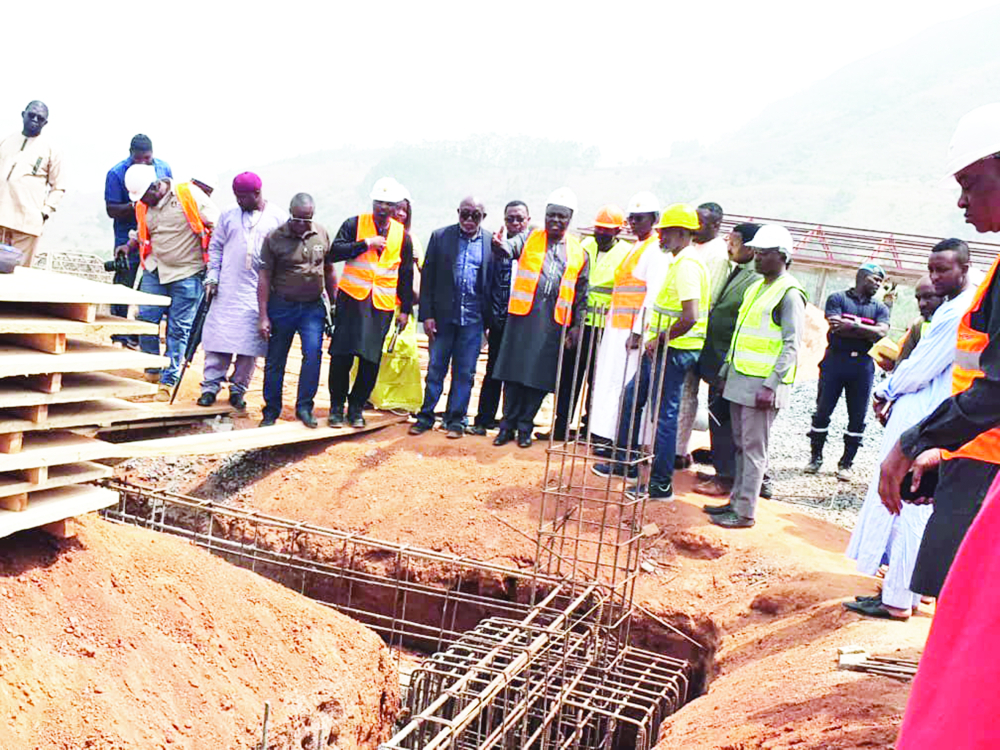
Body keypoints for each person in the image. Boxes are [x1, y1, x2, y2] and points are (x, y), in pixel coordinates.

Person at [879, 103, 1000, 750]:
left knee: (975, 623)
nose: (961, 201)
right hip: (973, 451)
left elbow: (997, 389)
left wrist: (914, 441)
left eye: (971, 183)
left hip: (984, 455)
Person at [844, 244, 972, 620]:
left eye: (942, 271)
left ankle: (897, 600)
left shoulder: (956, 314)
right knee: (911, 509)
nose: (935, 278)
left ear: (964, 268)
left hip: (925, 418)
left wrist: (886, 390)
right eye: (931, 270)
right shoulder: (950, 310)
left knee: (910, 508)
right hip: (927, 415)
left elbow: (919, 369)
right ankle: (904, 595)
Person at [593, 203, 708, 500]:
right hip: (660, 347)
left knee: (664, 416)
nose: (661, 237)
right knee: (631, 398)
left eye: (666, 232)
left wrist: (660, 340)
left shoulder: (687, 266)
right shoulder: (677, 261)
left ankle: (660, 484)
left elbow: (690, 315)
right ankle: (625, 463)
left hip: (674, 350)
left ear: (682, 233)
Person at [705, 224, 806, 528]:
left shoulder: (789, 294)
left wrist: (771, 385)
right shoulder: (756, 288)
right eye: (757, 252)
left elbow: (792, 344)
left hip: (761, 386)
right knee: (739, 445)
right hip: (740, 380)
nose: (758, 258)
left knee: (753, 450)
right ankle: (735, 502)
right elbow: (740, 335)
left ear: (782, 256)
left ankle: (746, 512)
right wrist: (725, 371)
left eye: (764, 253)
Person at [491, 188, 590, 449]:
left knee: (538, 380)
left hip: (553, 325)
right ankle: (507, 426)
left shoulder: (579, 252)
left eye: (561, 217)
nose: (555, 221)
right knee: (512, 375)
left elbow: (582, 294)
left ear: (569, 219)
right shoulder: (529, 237)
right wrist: (500, 246)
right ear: (544, 216)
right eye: (551, 216)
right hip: (522, 321)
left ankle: (525, 427)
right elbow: (509, 248)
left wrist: (578, 326)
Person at [124, 164, 219, 401]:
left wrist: (214, 266)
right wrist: (128, 246)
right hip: (155, 269)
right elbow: (143, 231)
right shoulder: (143, 204)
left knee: (178, 329)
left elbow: (217, 227)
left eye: (147, 195)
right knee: (145, 320)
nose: (144, 201)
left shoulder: (188, 195)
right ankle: (152, 370)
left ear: (157, 186)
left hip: (187, 272)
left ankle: (169, 379)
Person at [327, 178, 415, 428]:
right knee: (341, 355)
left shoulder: (402, 237)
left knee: (370, 359)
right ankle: (336, 407)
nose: (382, 208)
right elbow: (335, 253)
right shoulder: (354, 224)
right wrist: (366, 243)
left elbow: (405, 275)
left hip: (381, 306)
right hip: (352, 300)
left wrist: (405, 310)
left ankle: (356, 408)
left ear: (395, 206)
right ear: (372, 203)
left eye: (388, 204)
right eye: (379, 203)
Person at [539, 204, 629, 442]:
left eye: (607, 230)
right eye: (599, 228)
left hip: (605, 328)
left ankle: (591, 429)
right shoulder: (584, 246)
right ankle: (560, 428)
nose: (601, 234)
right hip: (578, 324)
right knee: (569, 377)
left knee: (597, 380)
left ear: (618, 231)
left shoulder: (626, 254)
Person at [198, 172, 287, 411]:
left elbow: (285, 255)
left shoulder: (278, 217)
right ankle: (210, 387)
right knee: (219, 340)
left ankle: (238, 390)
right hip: (227, 288)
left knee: (250, 345)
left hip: (257, 294)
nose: (239, 201)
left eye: (243, 197)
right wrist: (212, 276)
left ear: (257, 194)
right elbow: (215, 248)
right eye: (236, 197)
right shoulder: (228, 215)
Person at [410, 196, 493, 438]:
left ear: (483, 217)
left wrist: (489, 323)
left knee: (465, 372)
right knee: (436, 368)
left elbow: (491, 283)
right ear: (458, 212)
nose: (468, 220)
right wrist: (426, 316)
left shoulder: (489, 243)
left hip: (473, 320)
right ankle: (426, 416)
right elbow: (428, 279)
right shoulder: (440, 237)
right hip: (443, 319)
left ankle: (456, 420)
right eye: (464, 214)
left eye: (474, 215)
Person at [589, 192, 666, 446]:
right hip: (617, 327)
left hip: (632, 331)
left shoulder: (655, 249)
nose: (634, 223)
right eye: (631, 218)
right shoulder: (638, 246)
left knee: (623, 384)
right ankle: (608, 434)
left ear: (654, 219)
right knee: (610, 381)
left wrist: (638, 332)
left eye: (640, 219)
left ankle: (620, 441)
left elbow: (652, 295)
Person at [693, 223, 762, 497]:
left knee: (725, 422)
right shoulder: (739, 272)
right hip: (719, 361)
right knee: (718, 418)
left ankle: (726, 478)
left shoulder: (755, 279)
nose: (728, 245)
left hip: (732, 363)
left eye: (733, 241)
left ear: (750, 247)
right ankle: (722, 471)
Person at [805, 261, 890, 479]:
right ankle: (816, 458)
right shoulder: (838, 298)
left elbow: (881, 332)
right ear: (862, 277)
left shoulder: (880, 307)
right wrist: (866, 330)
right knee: (823, 411)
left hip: (862, 365)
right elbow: (835, 325)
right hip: (835, 361)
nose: (878, 284)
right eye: (875, 279)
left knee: (857, 416)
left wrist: (852, 326)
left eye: (881, 281)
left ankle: (846, 463)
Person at [258, 193, 336, 427]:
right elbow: (264, 277)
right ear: (290, 214)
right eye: (298, 219)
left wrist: (334, 304)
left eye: (307, 219)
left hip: (312, 307)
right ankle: (271, 411)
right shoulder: (274, 238)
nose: (303, 225)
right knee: (276, 359)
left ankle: (304, 407)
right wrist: (263, 316)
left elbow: (330, 270)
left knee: (313, 354)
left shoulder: (321, 233)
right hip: (282, 305)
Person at [675, 202, 730, 466]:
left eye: (701, 222)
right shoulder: (694, 248)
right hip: (682, 331)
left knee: (687, 394)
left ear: (716, 225)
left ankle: (677, 450)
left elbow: (709, 300)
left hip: (694, 335)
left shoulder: (717, 255)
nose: (695, 226)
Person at [105, 134, 172, 346]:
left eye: (148, 159)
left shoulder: (163, 169)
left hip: (157, 233)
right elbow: (111, 209)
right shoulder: (116, 173)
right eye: (138, 159)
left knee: (151, 281)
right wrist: (137, 206)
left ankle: (138, 333)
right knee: (124, 282)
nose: (143, 163)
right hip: (128, 234)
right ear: (130, 155)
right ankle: (119, 333)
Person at [470, 200, 530, 435]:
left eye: (519, 219)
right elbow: (487, 285)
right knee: (494, 371)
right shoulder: (496, 248)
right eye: (510, 219)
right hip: (500, 321)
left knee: (519, 374)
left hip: (525, 323)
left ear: (527, 220)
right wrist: (489, 320)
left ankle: (512, 422)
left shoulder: (534, 248)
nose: (515, 223)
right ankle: (483, 419)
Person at [367, 196, 425, 413]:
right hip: (377, 304)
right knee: (376, 352)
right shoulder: (376, 238)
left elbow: (419, 272)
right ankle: (372, 397)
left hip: (403, 306)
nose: (401, 214)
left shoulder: (411, 240)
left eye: (405, 211)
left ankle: (399, 400)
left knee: (402, 351)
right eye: (398, 209)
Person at [0, 101, 65, 267]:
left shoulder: (51, 149)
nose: (35, 120)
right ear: (23, 115)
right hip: (1, 218)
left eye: (40, 118)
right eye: (31, 115)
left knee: (19, 274)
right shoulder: (7, 140)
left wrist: (44, 212)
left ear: (45, 123)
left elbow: (58, 186)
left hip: (26, 224)